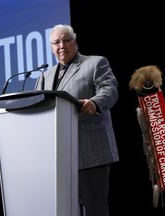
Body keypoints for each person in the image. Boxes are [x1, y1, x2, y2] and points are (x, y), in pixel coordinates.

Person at [35, 24, 119, 216]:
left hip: (90, 151)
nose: (61, 45)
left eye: (66, 40)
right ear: (51, 48)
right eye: (56, 42)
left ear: (75, 42)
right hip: (57, 155)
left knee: (94, 208)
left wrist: (95, 103)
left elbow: (110, 90)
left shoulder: (95, 63)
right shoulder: (44, 77)